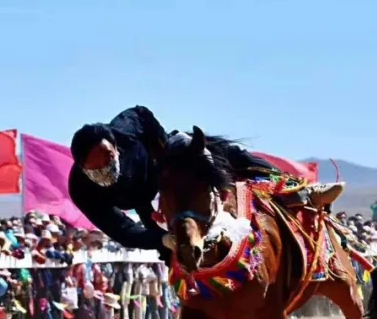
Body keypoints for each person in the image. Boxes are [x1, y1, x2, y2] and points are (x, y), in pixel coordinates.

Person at [69, 106, 344, 261]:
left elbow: (141, 113)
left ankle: (299, 190)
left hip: (161, 162)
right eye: (94, 168)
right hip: (142, 202)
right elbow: (122, 230)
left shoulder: (124, 129)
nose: (104, 169)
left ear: (115, 146)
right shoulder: (81, 190)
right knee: (174, 252)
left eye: (108, 158)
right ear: (81, 166)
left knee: (226, 154)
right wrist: (162, 238)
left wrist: (163, 151)